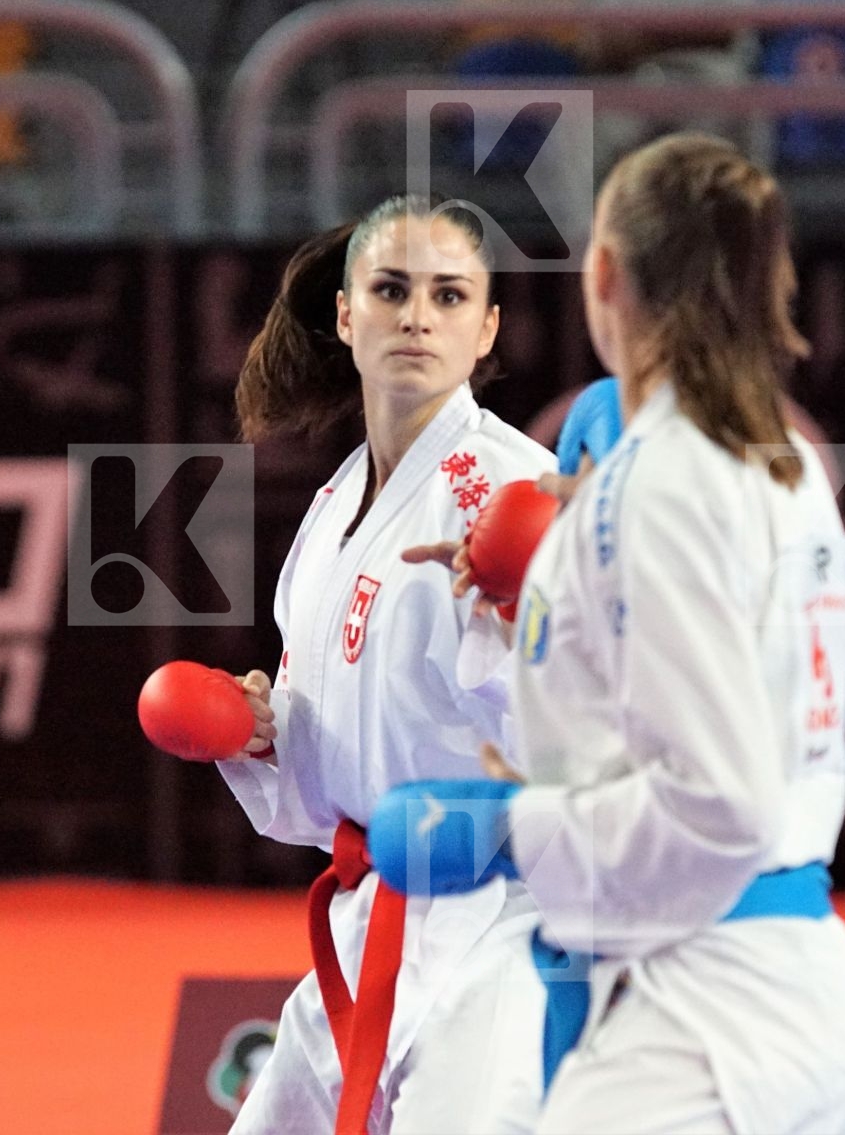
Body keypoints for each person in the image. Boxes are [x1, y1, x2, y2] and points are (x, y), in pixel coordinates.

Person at [371, 134, 845, 1133]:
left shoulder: (668, 482)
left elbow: (723, 797)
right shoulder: (775, 465)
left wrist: (515, 828)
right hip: (759, 987)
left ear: (603, 273)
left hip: (707, 1012)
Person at [220, 194, 556, 1134]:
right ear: (344, 314)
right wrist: (260, 732)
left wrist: (526, 619)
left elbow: (588, 734)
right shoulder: (332, 509)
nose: (417, 316)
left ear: (486, 329)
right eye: (392, 289)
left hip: (502, 924)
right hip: (375, 914)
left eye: (450, 296)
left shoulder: (516, 489)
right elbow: (321, 786)